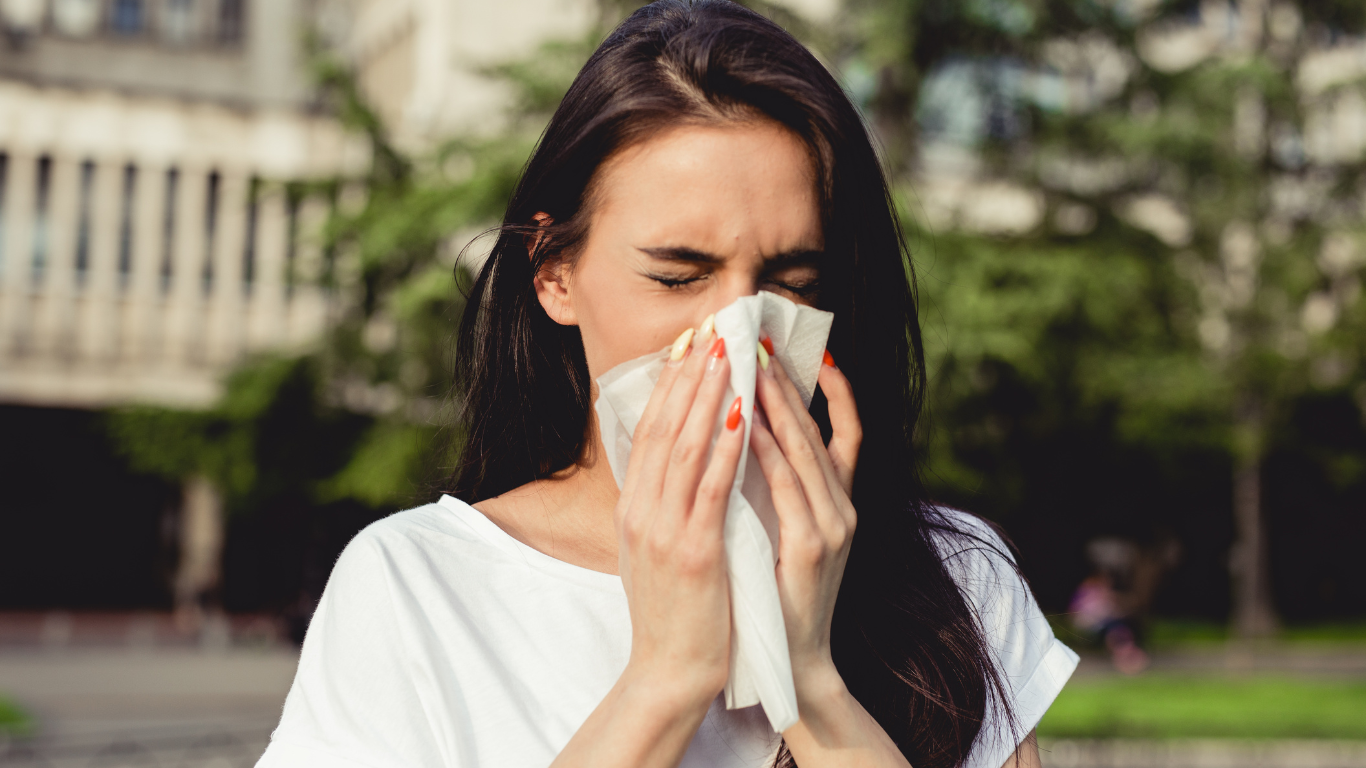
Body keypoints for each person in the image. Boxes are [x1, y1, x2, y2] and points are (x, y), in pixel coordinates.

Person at [256, 2, 1077, 767]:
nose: (737, 334)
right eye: (678, 277)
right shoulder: (417, 586)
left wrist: (807, 678)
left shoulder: (952, 580)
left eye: (791, 283)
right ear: (555, 273)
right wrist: (664, 681)